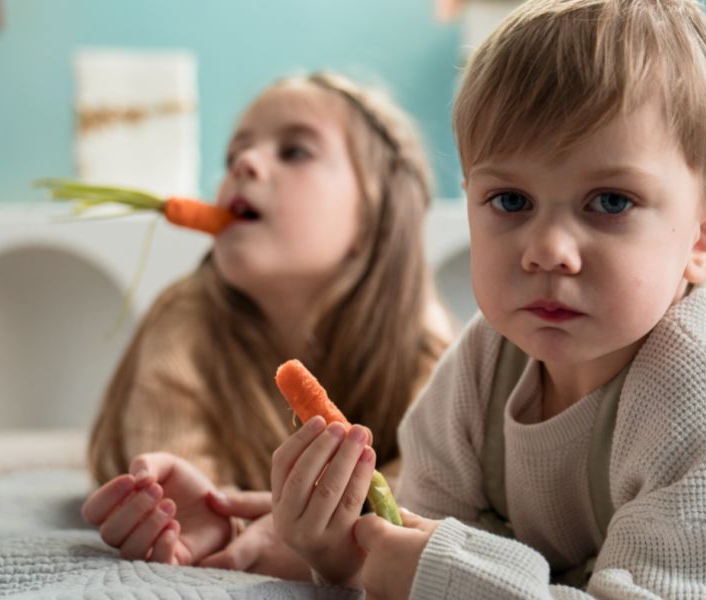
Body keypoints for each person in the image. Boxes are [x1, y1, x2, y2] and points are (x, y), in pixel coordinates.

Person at [271, 1, 706, 597]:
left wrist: (444, 578)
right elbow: (423, 546)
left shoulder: (702, 394)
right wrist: (349, 556)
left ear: (705, 235)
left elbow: (450, 574)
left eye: (609, 202)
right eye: (511, 201)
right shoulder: (484, 364)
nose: (546, 251)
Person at [80, 71, 452, 575]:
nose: (245, 165)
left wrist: (316, 534)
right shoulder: (185, 318)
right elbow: (182, 472)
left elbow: (437, 487)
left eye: (294, 151)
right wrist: (217, 521)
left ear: (375, 214)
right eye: (233, 157)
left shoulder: (422, 338)